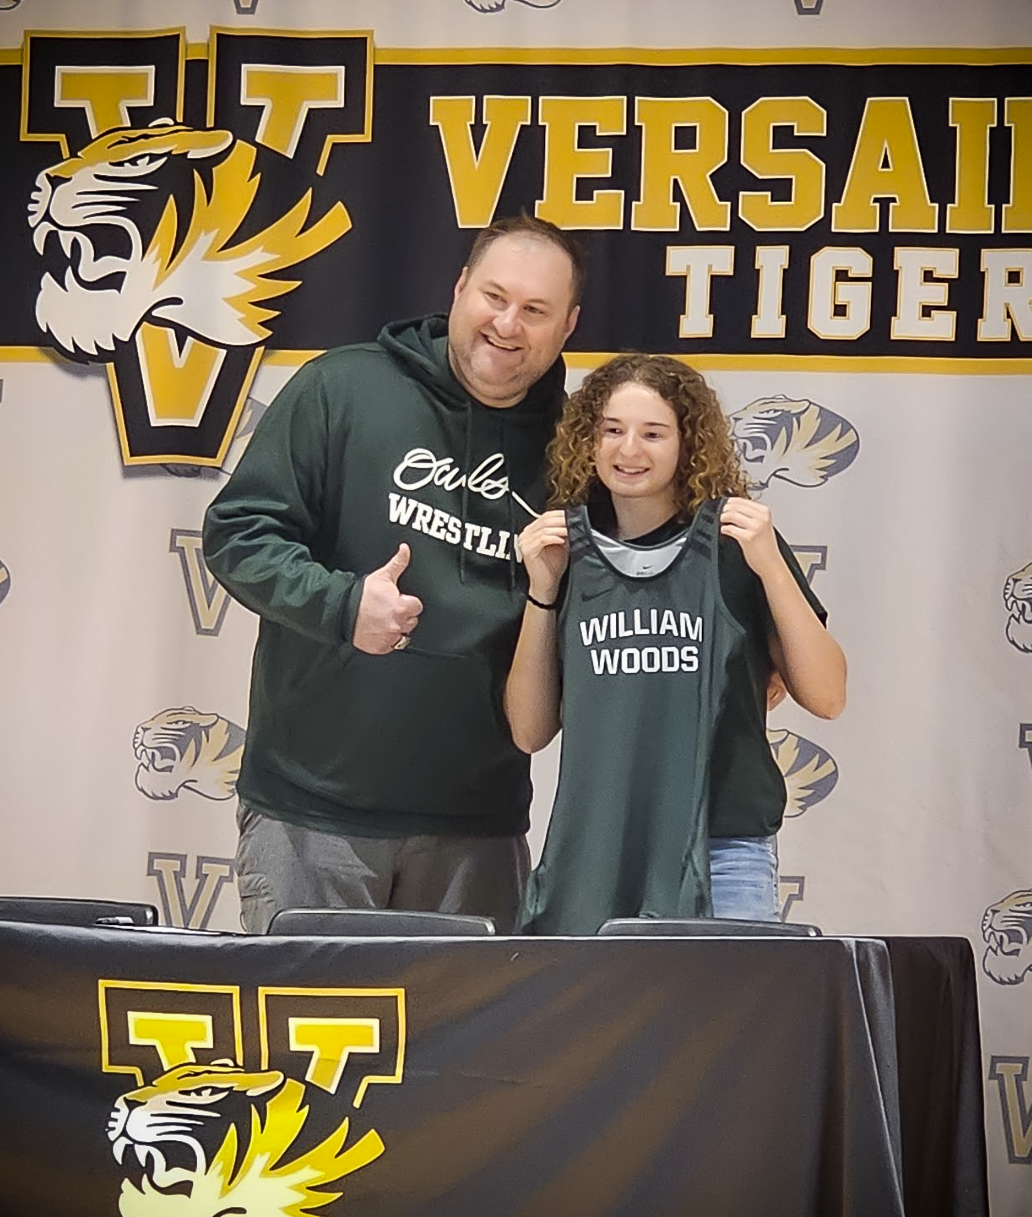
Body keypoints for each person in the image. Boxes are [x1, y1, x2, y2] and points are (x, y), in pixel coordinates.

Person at [203, 213, 583, 934]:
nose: (507, 324)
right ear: (460, 288)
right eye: (494, 297)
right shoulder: (341, 389)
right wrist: (344, 605)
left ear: (567, 326)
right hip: (312, 816)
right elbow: (237, 533)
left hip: (479, 830)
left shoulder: (578, 447)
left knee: (464, 1050)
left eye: (535, 311)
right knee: (300, 1042)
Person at [505, 353, 846, 935]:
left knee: (732, 1025)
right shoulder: (563, 548)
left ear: (689, 445)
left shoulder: (738, 544)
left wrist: (771, 567)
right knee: (602, 1029)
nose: (628, 450)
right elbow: (530, 730)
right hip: (600, 852)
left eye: (653, 433)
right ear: (587, 441)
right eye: (611, 430)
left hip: (725, 847)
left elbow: (827, 694)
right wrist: (542, 590)